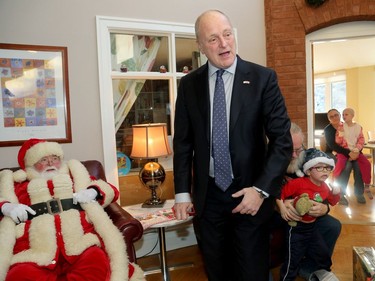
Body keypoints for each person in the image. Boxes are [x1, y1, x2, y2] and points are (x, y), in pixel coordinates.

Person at [172, 10, 292, 281]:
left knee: (252, 273)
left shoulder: (263, 78)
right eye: (213, 39)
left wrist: (261, 190)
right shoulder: (189, 85)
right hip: (208, 200)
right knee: (218, 273)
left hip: (250, 195)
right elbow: (183, 142)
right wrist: (181, 193)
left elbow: (282, 141)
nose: (224, 44)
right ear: (200, 46)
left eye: (227, 34)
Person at [0, 138, 144, 281]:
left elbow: (110, 190)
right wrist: (6, 206)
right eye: (43, 159)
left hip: (80, 245)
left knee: (97, 261)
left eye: (55, 158)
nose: (50, 163)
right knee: (19, 275)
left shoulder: (75, 177)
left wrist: (94, 191)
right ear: (31, 164)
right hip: (36, 253)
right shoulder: (18, 186)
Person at [276, 122, 342, 280]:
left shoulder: (307, 159)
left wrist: (324, 208)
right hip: (280, 213)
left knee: (333, 225)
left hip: (307, 215)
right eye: (288, 149)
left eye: (298, 150)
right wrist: (280, 205)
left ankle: (311, 267)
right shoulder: (269, 159)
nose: (293, 155)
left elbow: (321, 190)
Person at [323, 108, 366, 204]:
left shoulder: (347, 125)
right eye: (331, 116)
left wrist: (356, 152)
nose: (334, 117)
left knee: (359, 165)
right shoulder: (328, 130)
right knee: (347, 165)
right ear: (329, 119)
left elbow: (357, 140)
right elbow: (333, 146)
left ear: (340, 115)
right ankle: (340, 194)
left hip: (350, 152)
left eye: (336, 115)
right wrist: (350, 154)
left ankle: (359, 193)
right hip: (332, 152)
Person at [334, 107, 372, 199]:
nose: (343, 116)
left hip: (356, 152)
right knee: (342, 167)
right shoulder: (341, 127)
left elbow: (361, 140)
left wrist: (357, 149)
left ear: (352, 116)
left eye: (346, 114)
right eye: (343, 114)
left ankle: (362, 191)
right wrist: (341, 134)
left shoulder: (358, 127)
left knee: (366, 164)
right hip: (344, 153)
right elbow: (337, 142)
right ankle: (339, 191)